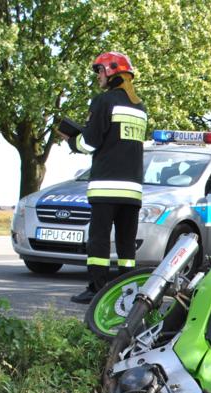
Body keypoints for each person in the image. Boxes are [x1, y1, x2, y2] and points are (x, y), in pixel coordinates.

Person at [64, 51, 148, 304]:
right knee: (126, 244)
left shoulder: (103, 101)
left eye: (100, 71)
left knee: (98, 240)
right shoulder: (139, 107)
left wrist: (71, 140)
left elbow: (90, 143)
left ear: (111, 72)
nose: (98, 76)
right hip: (132, 189)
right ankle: (129, 291)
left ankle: (97, 289)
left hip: (106, 187)